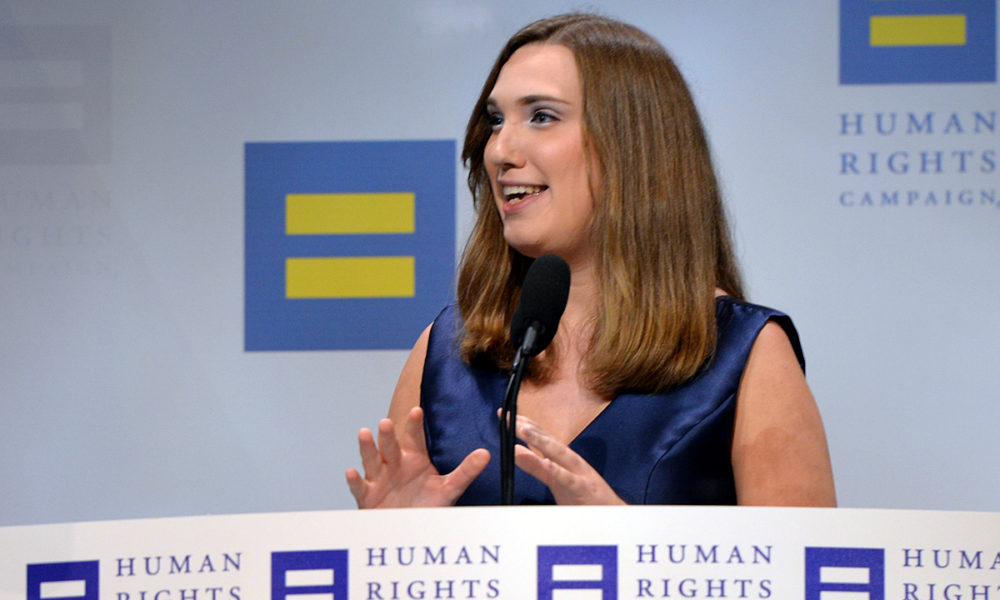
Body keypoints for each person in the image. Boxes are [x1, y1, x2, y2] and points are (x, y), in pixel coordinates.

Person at [345, 13, 836, 507]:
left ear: (634, 147)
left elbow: (798, 558)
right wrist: (392, 541)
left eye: (541, 116)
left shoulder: (747, 353)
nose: (499, 150)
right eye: (496, 120)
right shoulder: (447, 350)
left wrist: (625, 541)